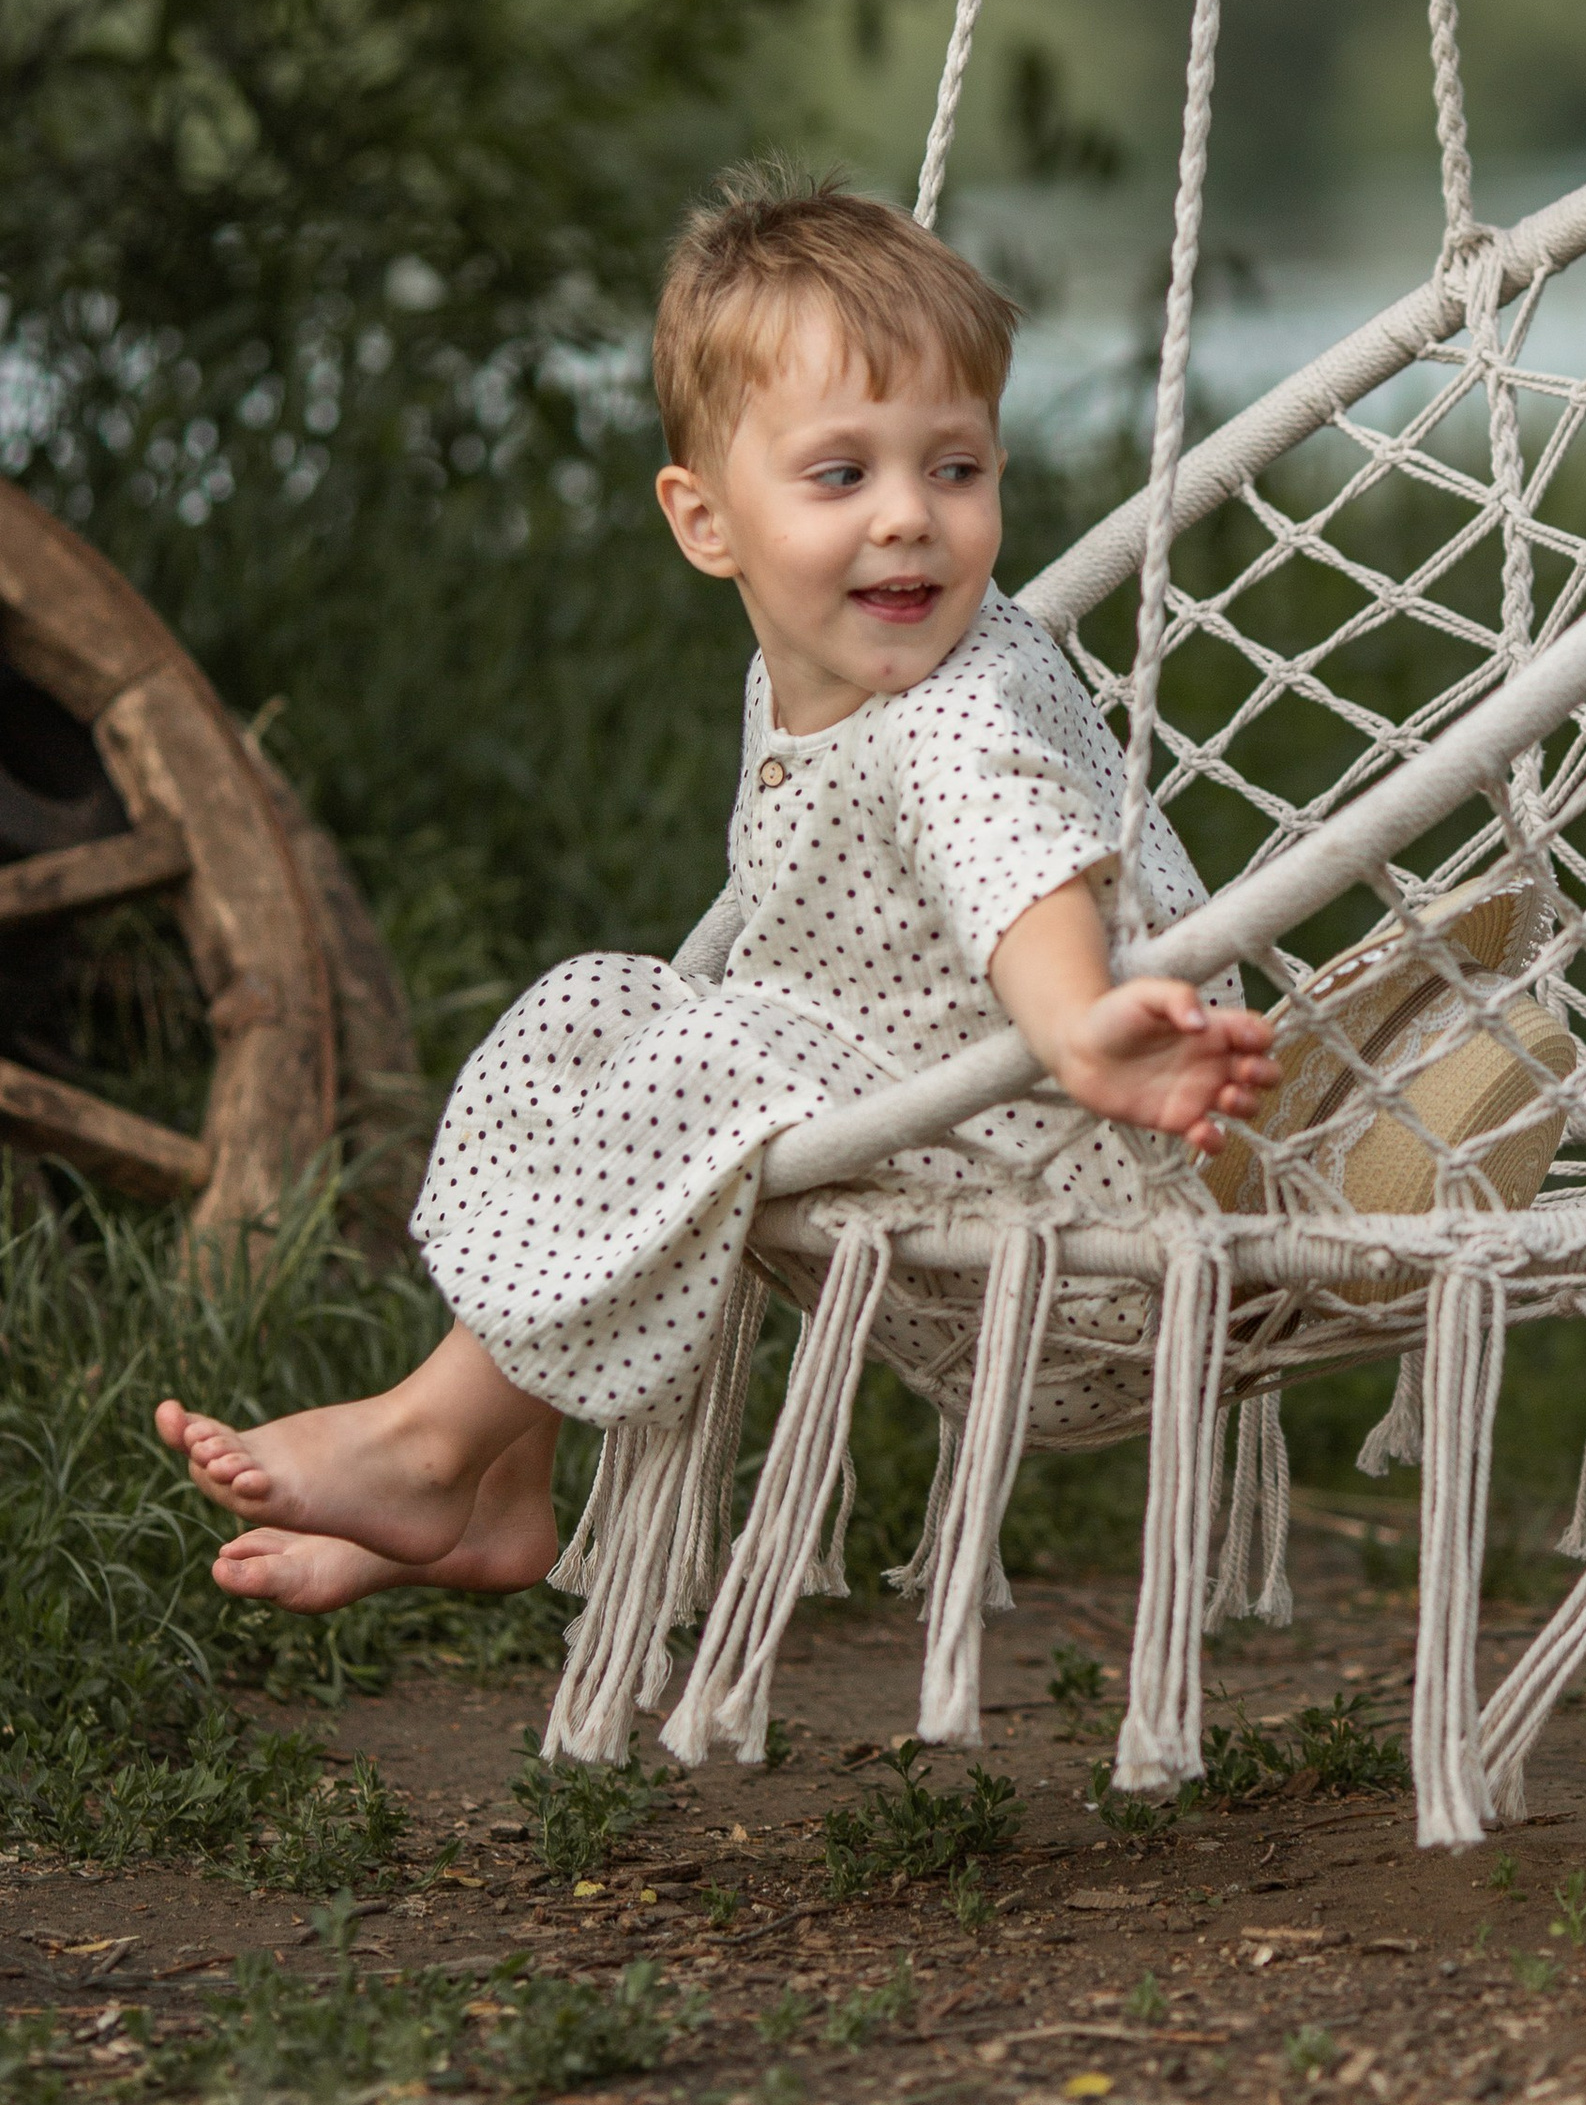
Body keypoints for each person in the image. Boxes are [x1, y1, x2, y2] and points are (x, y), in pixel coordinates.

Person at [154, 169, 1276, 1615]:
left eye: (956, 468)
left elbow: (1020, 865)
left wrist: (1080, 1025)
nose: (909, 522)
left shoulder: (955, 711)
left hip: (1083, 1167)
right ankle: (503, 1481)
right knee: (591, 1011)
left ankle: (427, 1440)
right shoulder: (809, 668)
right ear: (705, 522)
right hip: (937, 1102)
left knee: (719, 1044)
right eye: (840, 474)